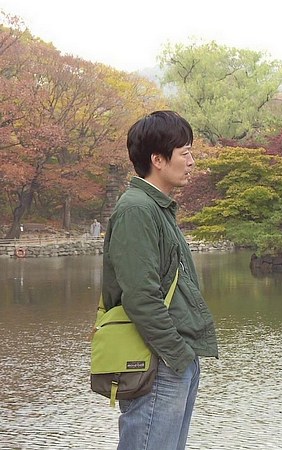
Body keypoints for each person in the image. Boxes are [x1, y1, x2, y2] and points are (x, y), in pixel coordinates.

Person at [100, 110, 218, 450]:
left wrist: (184, 357)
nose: (192, 162)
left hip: (170, 359)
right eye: (185, 153)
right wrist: (176, 354)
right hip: (157, 361)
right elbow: (141, 296)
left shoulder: (155, 207)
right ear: (158, 160)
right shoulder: (137, 209)